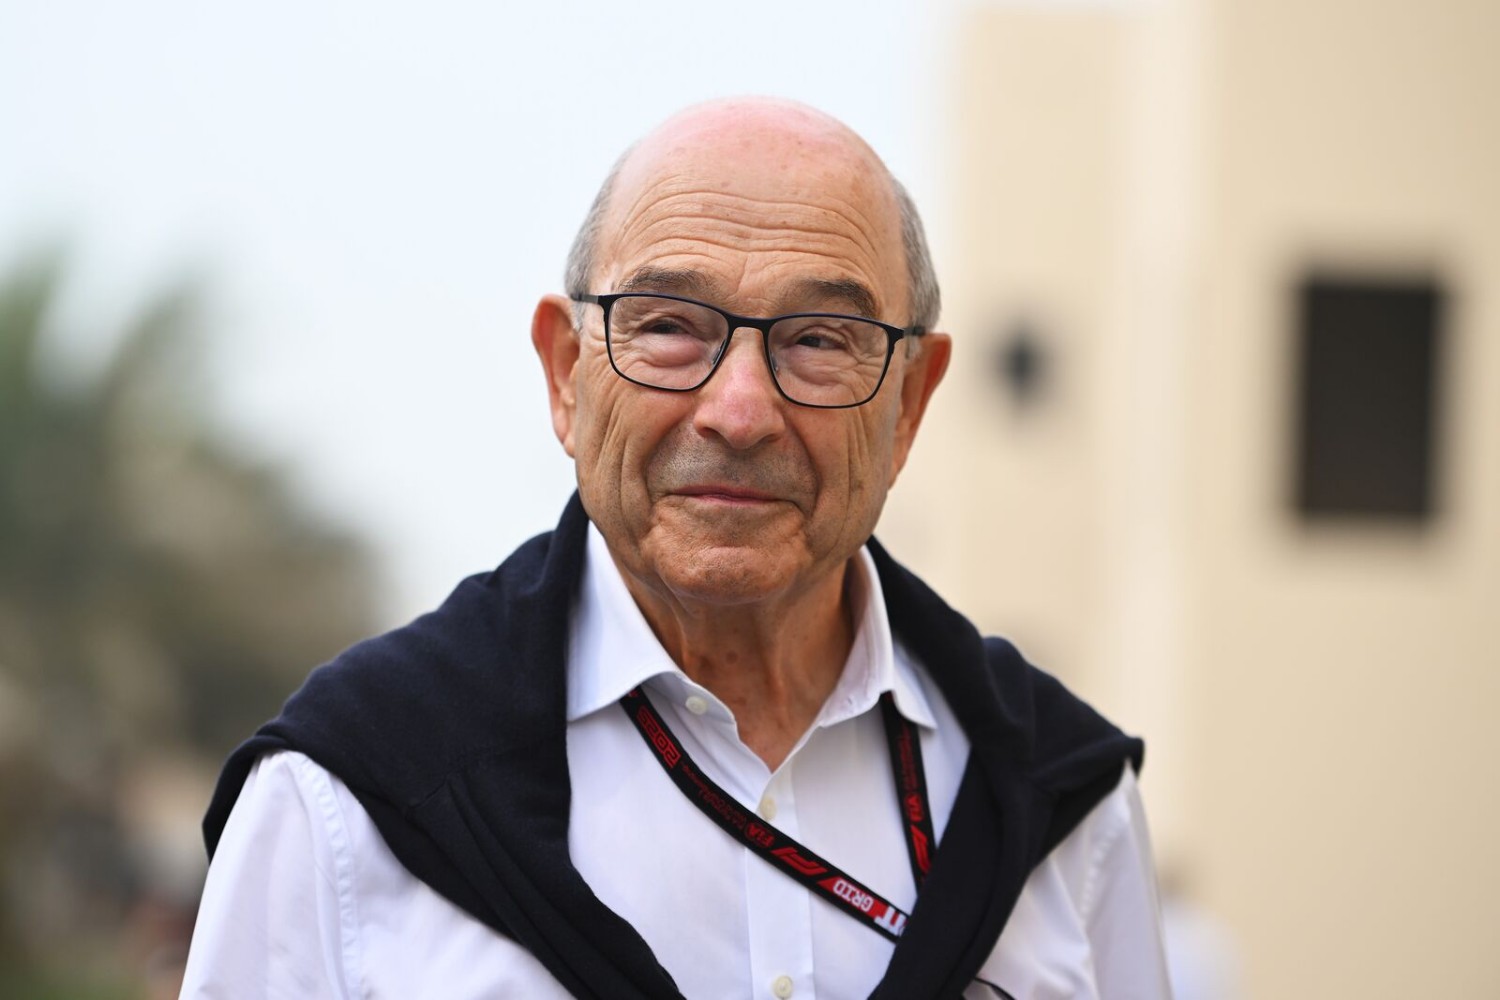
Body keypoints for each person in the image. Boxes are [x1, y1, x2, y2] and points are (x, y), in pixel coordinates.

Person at [180, 97, 1171, 999]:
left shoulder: (1057, 806)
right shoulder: (347, 799)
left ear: (909, 400)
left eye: (820, 339)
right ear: (567, 373)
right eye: (668, 327)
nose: (740, 410)